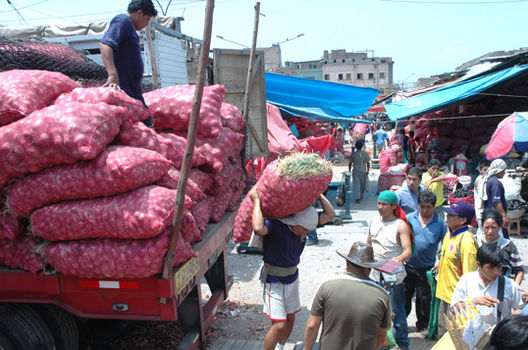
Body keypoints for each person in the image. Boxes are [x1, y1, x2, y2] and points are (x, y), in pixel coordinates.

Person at [250, 189, 335, 350]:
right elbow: (258, 227)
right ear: (294, 223)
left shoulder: (304, 224)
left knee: (291, 319)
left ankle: (280, 348)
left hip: (292, 279)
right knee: (279, 326)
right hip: (272, 281)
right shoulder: (275, 226)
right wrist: (256, 201)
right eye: (303, 230)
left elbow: (330, 214)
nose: (305, 234)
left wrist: (316, 192)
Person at [304, 242, 391, 350]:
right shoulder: (382, 295)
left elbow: (312, 325)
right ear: (370, 268)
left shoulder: (327, 286)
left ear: (347, 263)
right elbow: (382, 334)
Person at [99, 0, 157, 127]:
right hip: (124, 92)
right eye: (147, 20)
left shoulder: (128, 26)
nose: (147, 24)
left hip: (133, 92)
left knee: (147, 124)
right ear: (139, 13)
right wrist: (112, 75)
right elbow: (105, 45)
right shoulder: (123, 21)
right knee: (144, 127)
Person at [367, 190, 413, 350]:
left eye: (384, 204)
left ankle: (401, 342)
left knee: (396, 310)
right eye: (379, 203)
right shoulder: (373, 221)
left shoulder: (400, 225)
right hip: (374, 274)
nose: (380, 207)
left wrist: (399, 259)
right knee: (375, 310)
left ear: (393, 206)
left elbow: (408, 250)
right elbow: (368, 245)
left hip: (393, 276)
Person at [404, 190, 447, 336]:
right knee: (404, 296)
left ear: (434, 206)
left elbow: (446, 244)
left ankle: (422, 324)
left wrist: (441, 261)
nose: (425, 210)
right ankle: (401, 324)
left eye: (428, 207)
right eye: (422, 207)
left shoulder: (440, 223)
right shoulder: (409, 219)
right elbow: (400, 239)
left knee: (424, 299)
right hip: (407, 266)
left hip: (426, 268)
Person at [451, 243, 524, 327]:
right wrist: (474, 302)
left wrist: (509, 322)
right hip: (470, 336)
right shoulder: (466, 280)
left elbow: (522, 307)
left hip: (498, 337)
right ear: (479, 265)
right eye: (490, 267)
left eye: (499, 267)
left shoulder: (509, 285)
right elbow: (454, 308)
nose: (496, 272)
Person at [435, 201, 478, 336]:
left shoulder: (467, 241)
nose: (446, 216)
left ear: (463, 220)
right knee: (443, 336)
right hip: (444, 294)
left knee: (455, 338)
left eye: (451, 215)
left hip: (456, 299)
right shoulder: (450, 234)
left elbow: (470, 275)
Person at [476, 209, 524, 285]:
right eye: (487, 227)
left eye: (494, 227)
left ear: (500, 226)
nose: (490, 231)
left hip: (502, 289)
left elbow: (519, 269)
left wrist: (515, 289)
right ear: (482, 226)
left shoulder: (507, 245)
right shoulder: (475, 243)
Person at [477, 159, 510, 231]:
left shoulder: (489, 179)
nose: (504, 173)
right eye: (503, 170)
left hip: (489, 214)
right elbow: (496, 201)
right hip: (495, 216)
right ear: (499, 170)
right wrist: (504, 216)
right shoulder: (495, 183)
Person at [474, 160, 491, 230]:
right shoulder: (479, 180)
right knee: (482, 229)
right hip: (480, 207)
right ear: (480, 170)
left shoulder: (486, 179)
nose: (486, 172)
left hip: (484, 208)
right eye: (485, 170)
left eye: (488, 170)